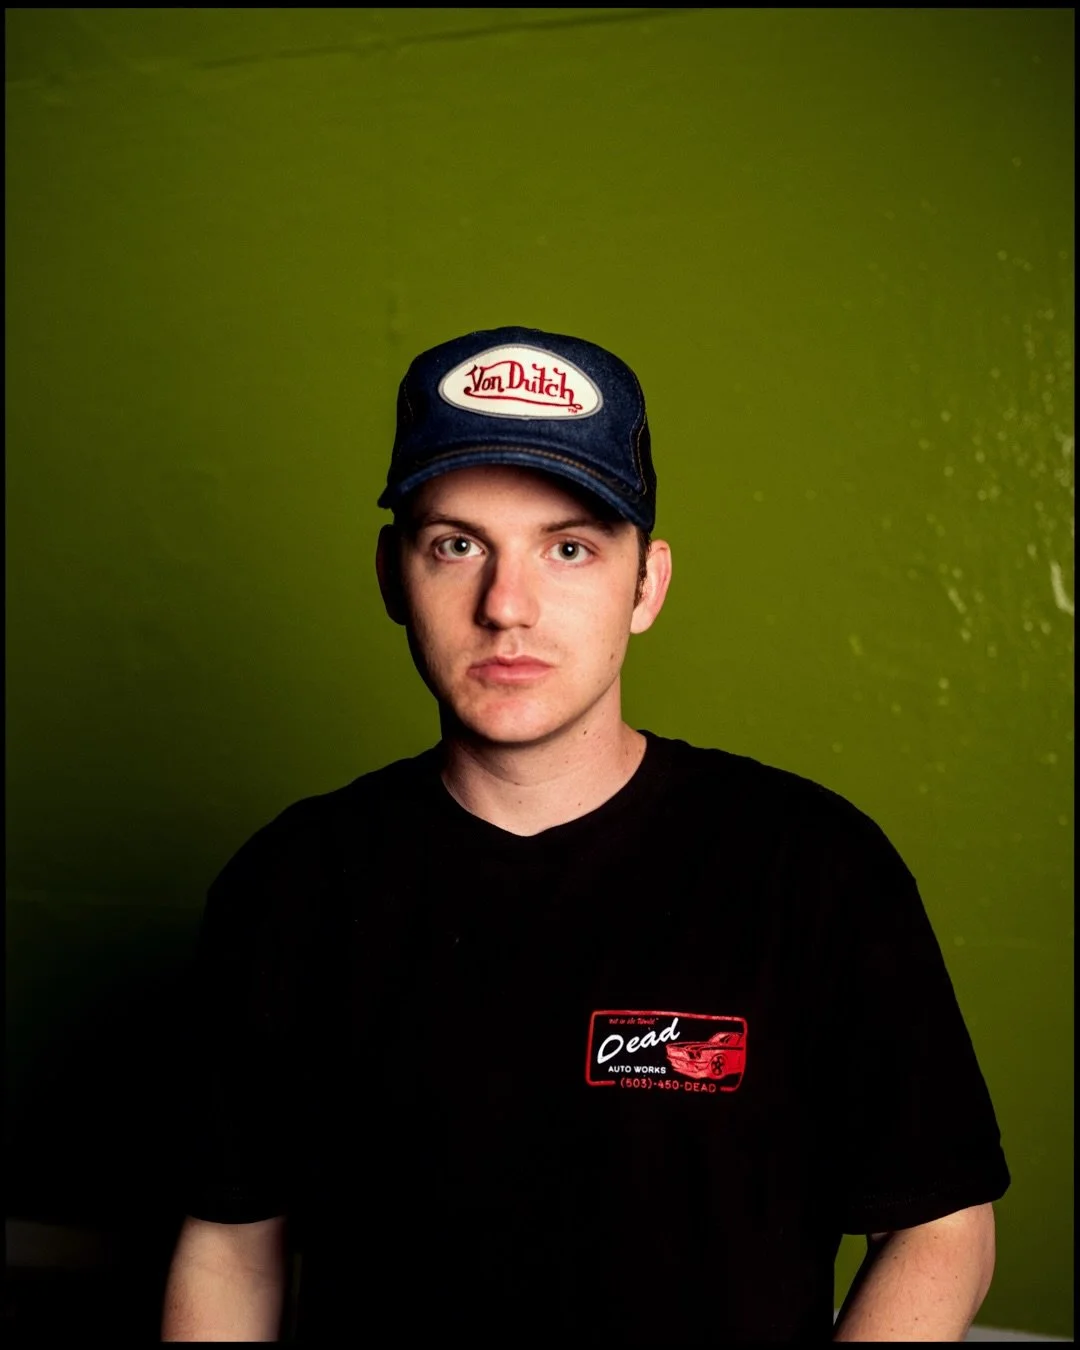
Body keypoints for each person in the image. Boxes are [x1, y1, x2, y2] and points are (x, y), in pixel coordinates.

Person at [161, 326, 1009, 1343]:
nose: (506, 606)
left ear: (645, 584)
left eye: (568, 547)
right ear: (394, 577)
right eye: (457, 545)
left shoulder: (812, 867)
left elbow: (941, 1227)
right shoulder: (294, 884)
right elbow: (228, 1251)